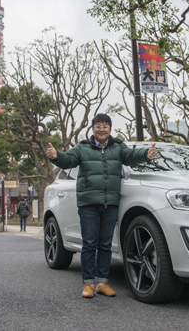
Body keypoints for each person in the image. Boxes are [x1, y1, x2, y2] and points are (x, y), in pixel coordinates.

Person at [46, 113, 158, 299]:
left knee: (105, 245)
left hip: (110, 203)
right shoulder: (82, 147)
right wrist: (56, 156)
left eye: (105, 125)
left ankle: (102, 282)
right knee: (89, 244)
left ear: (110, 129)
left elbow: (131, 157)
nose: (101, 129)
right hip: (88, 203)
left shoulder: (118, 147)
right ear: (93, 129)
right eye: (98, 126)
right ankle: (88, 284)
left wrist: (146, 154)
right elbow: (68, 161)